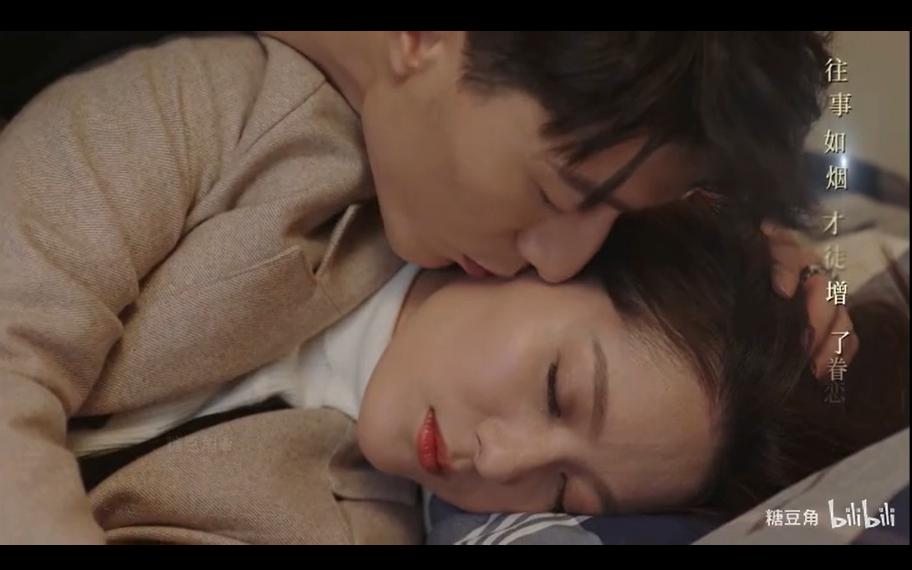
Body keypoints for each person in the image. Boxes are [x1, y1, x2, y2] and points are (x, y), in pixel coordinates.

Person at [0, 31, 851, 543]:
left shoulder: (354, 521)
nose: (503, 461)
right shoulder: (255, 126)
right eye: (556, 390)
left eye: (567, 492)